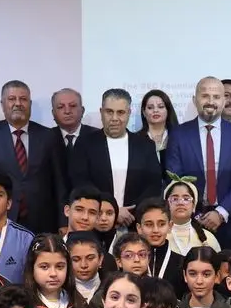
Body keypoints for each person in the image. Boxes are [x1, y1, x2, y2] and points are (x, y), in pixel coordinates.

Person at [164, 77, 231, 247]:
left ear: (223, 101)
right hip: (190, 221)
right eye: (205, 96)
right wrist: (196, 214)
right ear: (195, 100)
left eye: (216, 97)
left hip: (230, 221)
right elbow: (175, 178)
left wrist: (221, 213)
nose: (211, 102)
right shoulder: (179, 134)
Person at [0, 80, 68, 234]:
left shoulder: (48, 136)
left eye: (23, 99)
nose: (18, 103)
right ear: (2, 104)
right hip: (1, 219)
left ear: (30, 104)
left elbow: (60, 182)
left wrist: (63, 221)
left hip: (43, 220)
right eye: (12, 99)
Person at [69, 88, 163, 227]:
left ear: (129, 113)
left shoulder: (145, 145)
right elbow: (81, 182)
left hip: (134, 223)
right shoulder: (85, 144)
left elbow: (153, 185)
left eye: (120, 112)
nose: (114, 118)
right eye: (109, 112)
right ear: (101, 112)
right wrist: (111, 210)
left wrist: (131, 213)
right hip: (95, 223)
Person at [25, 233, 90, 308]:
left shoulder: (79, 303)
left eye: (60, 266)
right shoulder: (25, 305)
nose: (53, 274)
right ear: (32, 268)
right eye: (44, 267)